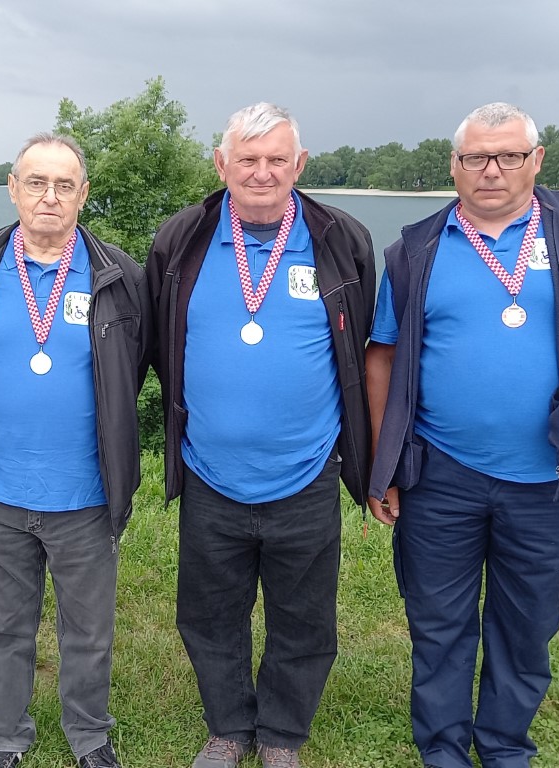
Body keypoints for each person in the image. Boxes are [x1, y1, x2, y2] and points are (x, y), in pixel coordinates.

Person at [366, 102, 559, 768]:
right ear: (454, 166)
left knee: (525, 627)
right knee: (438, 624)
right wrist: (384, 462)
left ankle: (502, 746)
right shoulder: (416, 248)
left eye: (508, 156)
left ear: (537, 160)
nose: (491, 170)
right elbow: (380, 354)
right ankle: (442, 748)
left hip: (553, 478)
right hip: (440, 473)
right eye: (475, 158)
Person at [146, 103, 376, 768]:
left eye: (277, 159)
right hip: (210, 473)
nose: (262, 172)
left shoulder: (343, 239)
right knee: (210, 614)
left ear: (299, 166)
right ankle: (227, 726)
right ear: (221, 165)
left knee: (303, 618)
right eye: (247, 159)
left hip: (307, 471)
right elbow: (162, 342)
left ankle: (280, 735)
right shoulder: (181, 239)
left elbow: (363, 348)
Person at [0, 133, 151, 768]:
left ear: (83, 194)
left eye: (65, 185)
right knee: (1, 629)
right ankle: (4, 737)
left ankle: (90, 736)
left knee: (87, 633)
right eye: (36, 182)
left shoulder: (119, 274)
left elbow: (134, 363)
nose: (50, 197)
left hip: (86, 493)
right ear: (13, 189)